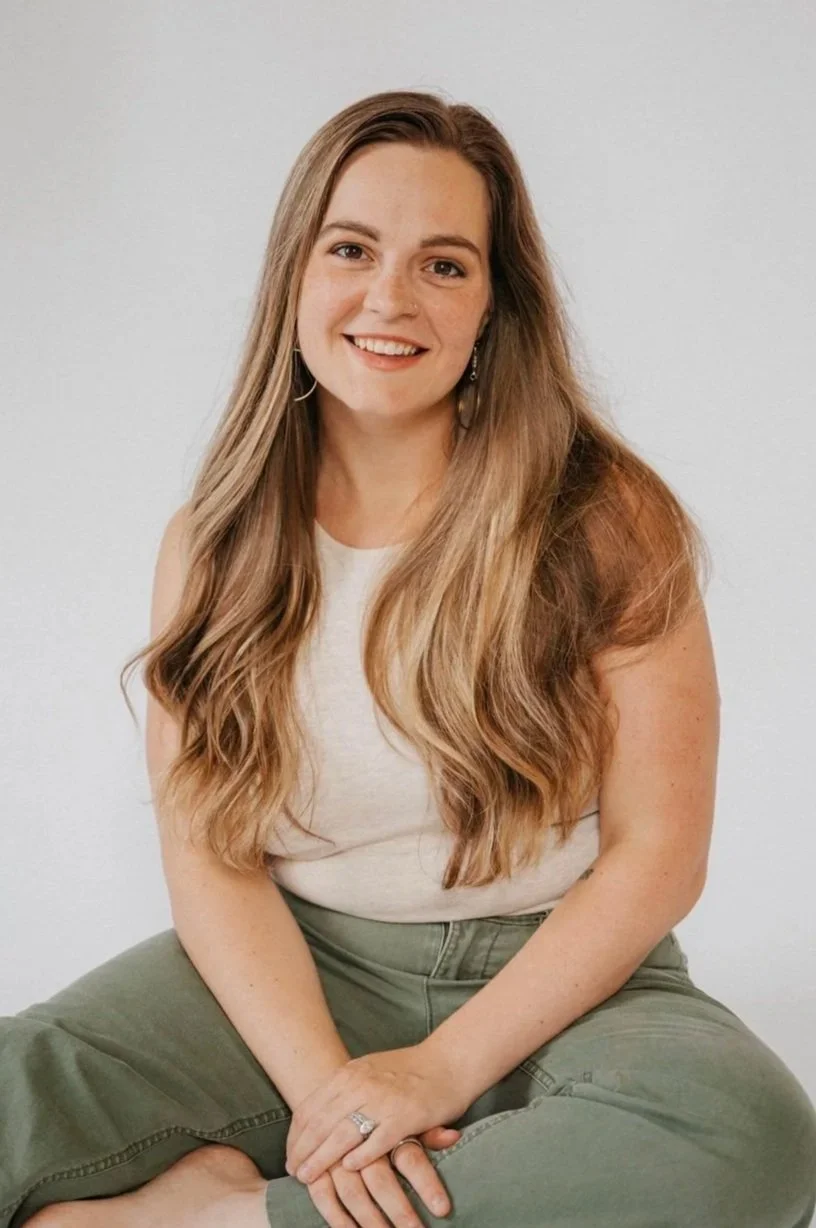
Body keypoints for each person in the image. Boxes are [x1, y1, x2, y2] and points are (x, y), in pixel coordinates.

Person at [2, 88, 815, 1228]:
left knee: (747, 1141)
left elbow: (657, 853)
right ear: (296, 272)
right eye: (351, 249)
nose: (390, 297)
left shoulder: (606, 517)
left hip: (568, 976)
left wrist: (432, 1073)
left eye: (445, 264)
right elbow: (210, 859)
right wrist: (330, 1100)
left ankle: (204, 1220)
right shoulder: (214, 540)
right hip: (297, 969)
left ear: (494, 305)